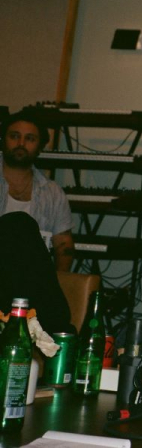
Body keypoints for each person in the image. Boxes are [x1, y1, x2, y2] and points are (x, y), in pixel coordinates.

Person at [1, 110, 76, 333]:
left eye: (30, 138)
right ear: (3, 139)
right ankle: (54, 326)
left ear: (39, 146)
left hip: (30, 280)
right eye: (14, 136)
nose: (21, 144)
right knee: (19, 223)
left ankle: (51, 326)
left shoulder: (53, 192)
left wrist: (59, 282)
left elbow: (64, 246)